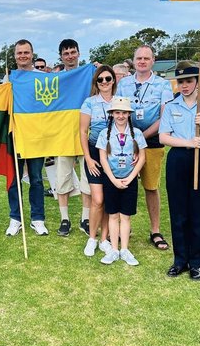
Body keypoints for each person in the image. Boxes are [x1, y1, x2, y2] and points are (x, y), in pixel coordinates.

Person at [159, 61, 200, 281]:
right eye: (181, 82)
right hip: (179, 158)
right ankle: (180, 260)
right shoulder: (171, 105)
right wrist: (187, 142)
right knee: (178, 212)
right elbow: (163, 136)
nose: (184, 86)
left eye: (188, 81)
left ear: (197, 82)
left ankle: (196, 262)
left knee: (199, 211)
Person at [117, 44, 174, 251]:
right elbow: (119, 112)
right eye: (139, 58)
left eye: (146, 58)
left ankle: (155, 230)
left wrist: (141, 137)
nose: (142, 61)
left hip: (151, 141)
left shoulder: (163, 85)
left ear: (153, 61)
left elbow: (164, 116)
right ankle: (124, 226)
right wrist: (130, 138)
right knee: (124, 183)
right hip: (126, 142)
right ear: (134, 61)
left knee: (151, 187)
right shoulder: (123, 84)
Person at [96, 97, 147, 265]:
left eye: (124, 112)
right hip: (111, 179)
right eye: (117, 112)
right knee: (113, 215)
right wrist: (113, 179)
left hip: (129, 179)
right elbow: (103, 159)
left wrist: (130, 178)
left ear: (129, 114)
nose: (121, 116)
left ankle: (124, 249)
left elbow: (142, 159)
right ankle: (114, 250)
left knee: (125, 216)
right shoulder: (105, 134)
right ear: (112, 114)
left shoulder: (137, 133)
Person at [6, 39, 48, 236]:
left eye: (26, 52)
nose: (22, 56)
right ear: (14, 56)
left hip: (36, 136)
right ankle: (16, 218)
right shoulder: (9, 79)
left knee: (36, 178)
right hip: (15, 134)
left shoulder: (42, 77)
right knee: (14, 178)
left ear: (32, 54)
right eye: (19, 53)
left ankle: (37, 218)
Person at [55, 38, 92, 237]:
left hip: (85, 135)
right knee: (62, 180)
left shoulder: (89, 75)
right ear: (61, 56)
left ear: (78, 53)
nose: (70, 56)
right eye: (66, 53)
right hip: (62, 136)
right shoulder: (56, 79)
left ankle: (85, 219)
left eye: (73, 52)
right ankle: (64, 219)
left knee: (87, 180)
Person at [80, 65, 116, 257]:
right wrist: (88, 158)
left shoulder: (120, 101)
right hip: (94, 152)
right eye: (100, 79)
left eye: (108, 79)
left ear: (113, 81)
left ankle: (105, 239)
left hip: (115, 153)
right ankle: (92, 238)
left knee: (109, 199)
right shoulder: (89, 102)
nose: (104, 82)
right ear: (95, 82)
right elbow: (83, 132)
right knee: (98, 199)